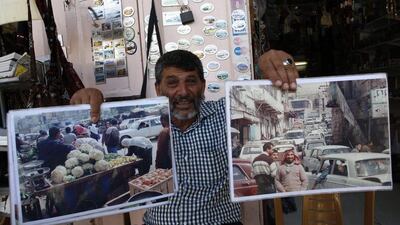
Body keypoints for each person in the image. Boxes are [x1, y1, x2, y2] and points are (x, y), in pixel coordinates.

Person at [70, 49, 298, 225]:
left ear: (203, 86)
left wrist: (277, 62)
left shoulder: (223, 114)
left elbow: (272, 81)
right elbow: (93, 117)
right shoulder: (156, 133)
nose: (183, 91)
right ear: (158, 88)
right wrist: (86, 100)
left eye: (191, 81)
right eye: (172, 83)